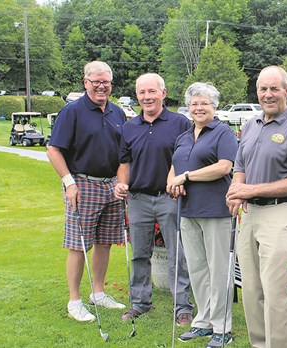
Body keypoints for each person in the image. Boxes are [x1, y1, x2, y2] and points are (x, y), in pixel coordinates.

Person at [225, 66, 287, 348]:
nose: (268, 94)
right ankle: (259, 344)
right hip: (250, 214)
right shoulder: (251, 125)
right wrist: (236, 191)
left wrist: (249, 189)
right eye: (263, 89)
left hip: (280, 212)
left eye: (274, 88)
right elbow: (240, 165)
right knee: (251, 289)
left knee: (275, 290)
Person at [47, 61, 127, 322]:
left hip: (111, 185)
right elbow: (54, 149)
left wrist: (121, 181)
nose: (101, 86)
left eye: (105, 82)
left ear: (110, 84)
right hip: (82, 184)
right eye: (95, 82)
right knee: (79, 245)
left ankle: (98, 292)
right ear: (85, 82)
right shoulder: (72, 111)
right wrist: (69, 182)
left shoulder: (117, 112)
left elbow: (123, 153)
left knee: (105, 242)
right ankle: (74, 300)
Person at [114, 73, 194, 325]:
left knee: (177, 253)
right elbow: (124, 162)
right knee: (139, 254)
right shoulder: (129, 127)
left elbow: (188, 157)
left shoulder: (180, 123)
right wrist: (122, 183)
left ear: (163, 92)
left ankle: (182, 307)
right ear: (137, 95)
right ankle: (140, 302)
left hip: (169, 197)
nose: (146, 97)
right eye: (142, 92)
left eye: (152, 91)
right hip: (138, 199)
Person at [166, 82, 238, 347]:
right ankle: (203, 322)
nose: (198, 108)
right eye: (194, 103)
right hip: (188, 211)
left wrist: (186, 176)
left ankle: (223, 328)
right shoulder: (184, 136)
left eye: (204, 103)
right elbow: (174, 166)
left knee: (218, 271)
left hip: (216, 211)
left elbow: (223, 167)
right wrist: (171, 182)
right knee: (197, 269)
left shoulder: (223, 133)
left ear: (214, 106)